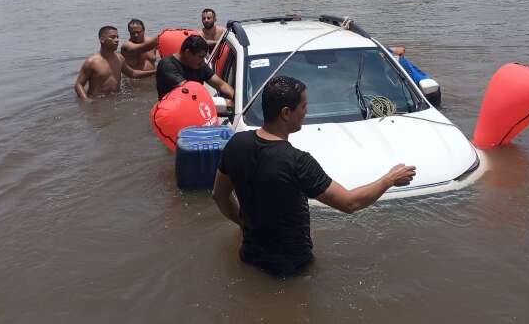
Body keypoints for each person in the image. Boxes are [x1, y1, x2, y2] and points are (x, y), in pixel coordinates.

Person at [212, 76, 416, 276]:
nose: (306, 112)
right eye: (303, 106)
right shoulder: (297, 162)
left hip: (249, 257)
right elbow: (349, 203)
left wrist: (243, 222)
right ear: (285, 113)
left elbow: (219, 196)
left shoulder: (236, 144)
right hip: (291, 267)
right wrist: (389, 179)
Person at [74, 26, 156, 101]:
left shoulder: (119, 58)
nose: (117, 40)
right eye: (112, 37)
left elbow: (133, 73)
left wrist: (154, 72)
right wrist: (86, 101)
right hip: (98, 101)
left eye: (117, 37)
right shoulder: (92, 62)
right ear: (102, 39)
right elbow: (79, 84)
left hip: (116, 99)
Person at [155, 35, 234, 101]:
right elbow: (189, 92)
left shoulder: (199, 64)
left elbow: (221, 85)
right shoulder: (167, 65)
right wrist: (225, 103)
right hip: (172, 112)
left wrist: (235, 99)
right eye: (200, 57)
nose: (203, 61)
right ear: (187, 53)